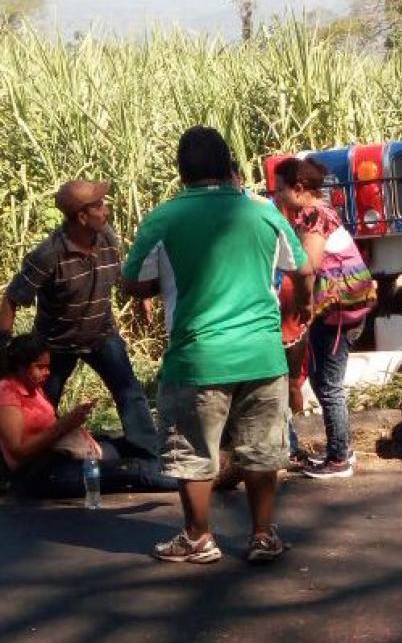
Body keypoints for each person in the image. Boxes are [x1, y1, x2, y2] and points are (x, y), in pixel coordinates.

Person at [121, 126, 313, 564]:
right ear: (229, 165)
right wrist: (303, 305)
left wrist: (162, 284)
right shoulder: (263, 212)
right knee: (262, 450)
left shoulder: (163, 218)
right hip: (262, 354)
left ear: (181, 170)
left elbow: (132, 281)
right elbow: (301, 267)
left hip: (197, 358)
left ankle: (198, 537)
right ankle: (262, 535)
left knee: (192, 451)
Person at [0, 180, 160, 462]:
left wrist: (141, 296)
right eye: (98, 205)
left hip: (101, 334)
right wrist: (4, 346)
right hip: (56, 343)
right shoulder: (48, 255)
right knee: (44, 405)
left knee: (130, 392)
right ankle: (29, 463)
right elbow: (12, 298)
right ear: (81, 217)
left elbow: (121, 274)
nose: (106, 209)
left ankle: (149, 456)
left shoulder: (107, 237)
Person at [271, 157, 375, 481]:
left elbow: (309, 265)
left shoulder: (314, 216)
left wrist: (299, 298)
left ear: (299, 189)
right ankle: (339, 448)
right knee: (323, 381)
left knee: (328, 387)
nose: (277, 195)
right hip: (345, 311)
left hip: (337, 314)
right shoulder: (322, 211)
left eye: (280, 189)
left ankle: (339, 458)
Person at [0, 334, 175, 498]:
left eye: (48, 367)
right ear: (21, 367)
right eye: (40, 367)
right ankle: (192, 484)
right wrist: (64, 425)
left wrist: (73, 421)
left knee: (132, 445)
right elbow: (18, 451)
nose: (47, 373)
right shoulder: (7, 392)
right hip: (41, 473)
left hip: (64, 454)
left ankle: (179, 470)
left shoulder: (35, 388)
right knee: (133, 470)